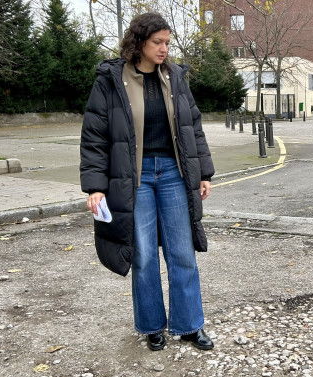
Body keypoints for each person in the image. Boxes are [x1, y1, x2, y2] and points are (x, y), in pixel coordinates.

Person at [80, 13, 215, 352]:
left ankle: (189, 325)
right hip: (134, 178)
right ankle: (152, 325)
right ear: (139, 42)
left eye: (168, 43)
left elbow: (192, 127)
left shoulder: (175, 77)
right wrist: (95, 186)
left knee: (182, 252)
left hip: (173, 173)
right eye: (158, 42)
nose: (164, 49)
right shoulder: (111, 80)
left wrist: (204, 173)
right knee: (142, 257)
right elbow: (94, 136)